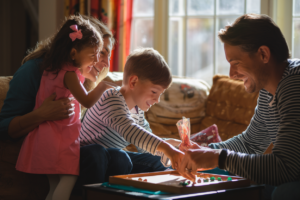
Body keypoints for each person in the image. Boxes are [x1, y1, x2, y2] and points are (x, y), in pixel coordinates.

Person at [0, 15, 132, 199]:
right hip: (51, 144)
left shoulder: (81, 77)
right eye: (99, 53)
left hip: (70, 143)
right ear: (75, 51)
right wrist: (41, 114)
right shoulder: (37, 71)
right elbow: (4, 128)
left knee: (120, 157)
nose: (103, 63)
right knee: (97, 155)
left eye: (107, 55)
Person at [178, 14, 300, 200]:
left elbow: (286, 169)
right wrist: (205, 151)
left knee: (284, 192)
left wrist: (218, 157)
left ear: (263, 54)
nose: (231, 74)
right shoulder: (269, 91)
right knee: (238, 180)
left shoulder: (294, 85)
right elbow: (250, 143)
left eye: (235, 63)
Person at [80, 48, 184, 174]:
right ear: (133, 82)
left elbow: (145, 146)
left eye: (160, 94)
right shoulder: (111, 97)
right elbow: (129, 130)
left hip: (111, 159)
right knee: (117, 156)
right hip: (86, 157)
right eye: (154, 92)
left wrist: (175, 145)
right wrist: (167, 148)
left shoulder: (137, 111)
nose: (157, 100)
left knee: (156, 161)